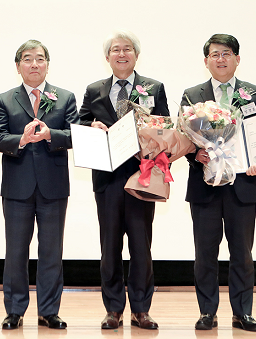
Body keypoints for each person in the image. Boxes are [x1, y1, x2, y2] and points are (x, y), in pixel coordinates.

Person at [78, 30, 169, 330]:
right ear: (107, 57)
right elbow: (79, 126)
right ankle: (114, 309)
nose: (121, 54)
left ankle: (141, 309)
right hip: (107, 180)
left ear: (136, 55)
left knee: (142, 246)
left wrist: (152, 133)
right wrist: (92, 125)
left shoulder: (154, 88)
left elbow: (167, 128)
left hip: (142, 176)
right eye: (115, 50)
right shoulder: (94, 90)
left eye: (127, 49)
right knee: (110, 245)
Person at [180, 33, 256, 332]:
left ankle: (242, 312)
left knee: (242, 252)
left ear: (237, 59)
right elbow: (183, 140)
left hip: (242, 184)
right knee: (205, 252)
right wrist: (197, 154)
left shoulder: (253, 93)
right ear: (206, 61)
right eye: (215, 54)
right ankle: (207, 311)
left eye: (227, 53)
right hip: (204, 185)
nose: (221, 59)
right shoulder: (192, 95)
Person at [0, 39, 79, 330]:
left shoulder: (64, 97)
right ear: (18, 66)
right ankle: (14, 310)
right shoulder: (5, 99)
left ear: (47, 65)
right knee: (16, 251)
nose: (34, 64)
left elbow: (75, 134)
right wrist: (23, 140)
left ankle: (48, 310)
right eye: (27, 59)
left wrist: (49, 134)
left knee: (51, 251)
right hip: (17, 186)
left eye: (40, 59)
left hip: (53, 187)